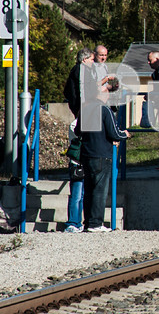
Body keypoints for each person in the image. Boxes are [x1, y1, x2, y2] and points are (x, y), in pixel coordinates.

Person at [79, 78, 130, 232]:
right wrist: (125, 134)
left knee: (88, 190)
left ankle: (88, 222)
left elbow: (77, 131)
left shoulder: (85, 109)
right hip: (102, 154)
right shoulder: (104, 109)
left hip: (87, 154)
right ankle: (96, 223)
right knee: (99, 190)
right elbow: (114, 133)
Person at [62, 48, 94, 233]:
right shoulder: (81, 72)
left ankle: (77, 222)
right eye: (91, 59)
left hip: (79, 161)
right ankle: (73, 222)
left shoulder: (77, 72)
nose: (93, 62)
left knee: (80, 193)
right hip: (79, 162)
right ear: (84, 60)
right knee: (77, 193)